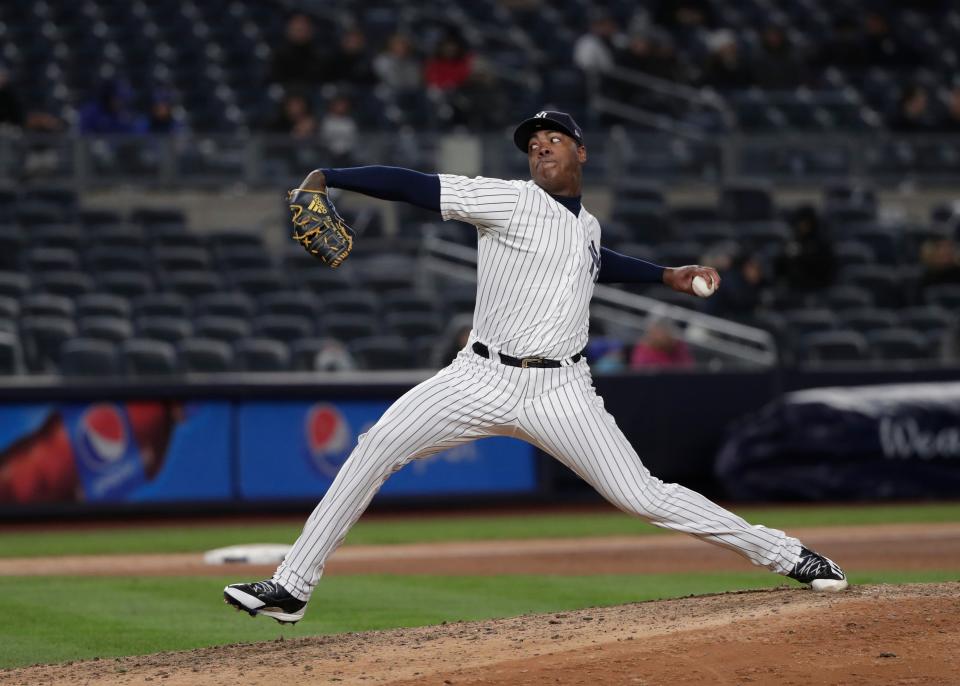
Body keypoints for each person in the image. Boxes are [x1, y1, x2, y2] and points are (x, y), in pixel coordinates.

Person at [223, 110, 848, 624]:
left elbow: (598, 259)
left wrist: (668, 276)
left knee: (645, 496)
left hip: (562, 389)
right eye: (532, 144)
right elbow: (415, 184)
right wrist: (330, 175)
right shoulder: (510, 200)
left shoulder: (587, 226)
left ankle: (787, 554)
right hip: (478, 377)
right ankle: (293, 585)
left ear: (581, 153)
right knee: (377, 443)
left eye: (553, 139)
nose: (540, 148)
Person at [774, 205, 836, 292]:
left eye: (806, 223)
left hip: (820, 291)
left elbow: (827, 271)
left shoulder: (823, 244)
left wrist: (804, 255)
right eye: (801, 222)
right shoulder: (792, 242)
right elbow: (780, 269)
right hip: (794, 291)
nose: (802, 226)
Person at [269, 13, 325, 89]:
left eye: (303, 29)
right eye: (297, 29)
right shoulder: (279, 54)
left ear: (310, 31)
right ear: (289, 30)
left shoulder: (318, 55)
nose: (300, 32)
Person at [630, 318, 694, 369]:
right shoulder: (643, 350)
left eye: (665, 331)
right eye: (658, 332)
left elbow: (688, 367)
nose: (662, 336)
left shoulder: (678, 346)